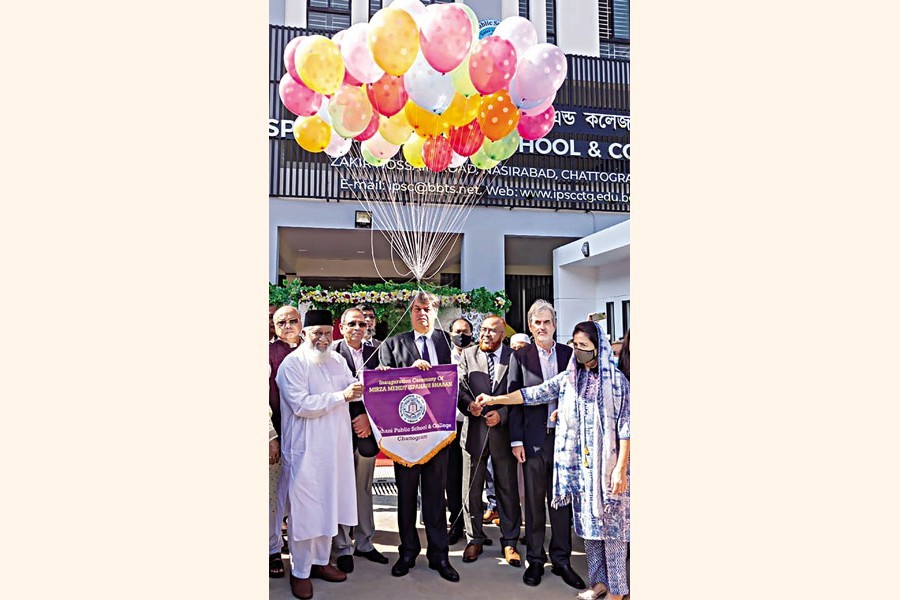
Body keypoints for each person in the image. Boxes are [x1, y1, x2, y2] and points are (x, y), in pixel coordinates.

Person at [476, 320, 630, 600]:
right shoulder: (571, 378)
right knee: (590, 527)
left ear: (598, 348)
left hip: (607, 468)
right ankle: (598, 584)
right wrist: (496, 398)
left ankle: (618, 592)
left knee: (612, 530)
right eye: (576, 345)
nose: (579, 351)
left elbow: (627, 427)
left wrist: (620, 469)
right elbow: (532, 394)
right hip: (580, 467)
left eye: (585, 346)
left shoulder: (615, 381)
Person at [275, 309, 364, 600]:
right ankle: (300, 572)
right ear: (305, 333)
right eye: (317, 333)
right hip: (305, 453)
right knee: (306, 512)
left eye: (327, 332)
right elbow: (301, 404)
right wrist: (342, 396)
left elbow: (354, 387)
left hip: (335, 451)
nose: (323, 339)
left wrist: (379, 381)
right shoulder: (293, 364)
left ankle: (321, 562)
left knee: (329, 507)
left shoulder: (337, 359)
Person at [377, 291, 460, 583]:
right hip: (407, 437)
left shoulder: (446, 342)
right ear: (409, 313)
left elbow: (454, 383)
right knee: (407, 497)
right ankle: (408, 552)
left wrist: (470, 405)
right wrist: (409, 374)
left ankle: (440, 555)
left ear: (436, 311)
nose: (421, 313)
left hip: (437, 435)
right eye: (416, 309)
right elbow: (384, 387)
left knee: (437, 499)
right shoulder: (393, 344)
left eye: (427, 309)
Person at [507, 300, 586, 590]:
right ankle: (536, 559)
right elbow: (514, 399)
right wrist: (516, 440)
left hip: (565, 440)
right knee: (534, 501)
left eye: (547, 322)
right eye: (537, 323)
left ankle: (562, 559)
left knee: (562, 502)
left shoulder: (569, 354)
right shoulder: (521, 356)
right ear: (530, 326)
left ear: (555, 324)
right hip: (532, 441)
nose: (542, 327)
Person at [458, 315, 522, 568]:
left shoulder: (514, 357)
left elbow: (518, 393)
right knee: (471, 490)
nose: (486, 335)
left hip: (502, 434)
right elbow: (460, 389)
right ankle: (474, 538)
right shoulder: (467, 354)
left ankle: (510, 542)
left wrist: (503, 414)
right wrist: (469, 405)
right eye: (483, 330)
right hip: (474, 432)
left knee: (507, 489)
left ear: (502, 335)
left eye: (492, 331)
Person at [330, 307, 389, 572]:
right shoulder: (330, 352)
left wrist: (366, 417)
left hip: (368, 432)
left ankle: (364, 542)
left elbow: (384, 391)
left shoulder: (377, 351)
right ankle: (342, 546)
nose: (357, 328)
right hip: (339, 431)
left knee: (364, 489)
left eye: (362, 324)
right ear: (341, 327)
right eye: (351, 323)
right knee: (341, 488)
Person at [269, 305, 302, 578]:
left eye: (293, 320)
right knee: (275, 499)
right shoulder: (268, 353)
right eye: (282, 322)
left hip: (307, 436)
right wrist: (270, 436)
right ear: (275, 326)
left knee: (299, 496)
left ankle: (296, 543)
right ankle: (272, 550)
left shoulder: (312, 350)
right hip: (279, 434)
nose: (288, 325)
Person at [446, 317, 475, 546]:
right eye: (457, 331)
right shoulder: (444, 356)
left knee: (473, 478)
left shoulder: (476, 356)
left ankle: (473, 525)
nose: (461, 335)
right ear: (450, 333)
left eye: (465, 331)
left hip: (472, 422)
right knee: (452, 476)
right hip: (449, 424)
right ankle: (455, 522)